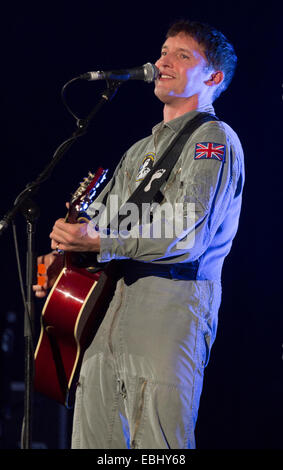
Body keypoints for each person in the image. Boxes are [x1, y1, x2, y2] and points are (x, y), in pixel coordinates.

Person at [33, 20, 244, 449]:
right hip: (105, 316)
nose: (163, 61)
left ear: (213, 77)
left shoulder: (213, 140)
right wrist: (65, 260)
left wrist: (98, 241)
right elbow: (103, 224)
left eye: (182, 55)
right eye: (164, 51)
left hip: (168, 315)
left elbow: (186, 231)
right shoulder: (138, 151)